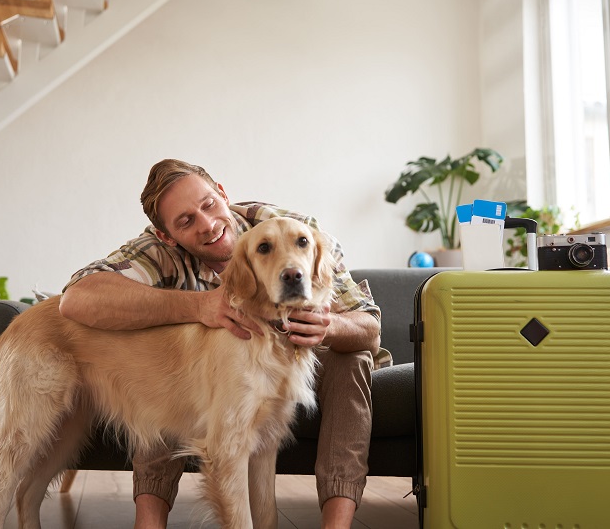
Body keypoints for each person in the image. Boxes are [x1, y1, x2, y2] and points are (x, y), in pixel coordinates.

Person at [59, 159, 389, 529]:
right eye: (185, 221)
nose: (208, 224)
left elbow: (370, 328)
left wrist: (328, 327)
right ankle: (149, 522)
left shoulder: (299, 232)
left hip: (310, 354)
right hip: (226, 367)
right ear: (166, 236)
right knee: (164, 358)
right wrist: (197, 305)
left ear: (222, 193)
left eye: (208, 204)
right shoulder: (158, 250)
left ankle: (337, 526)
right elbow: (76, 298)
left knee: (355, 357)